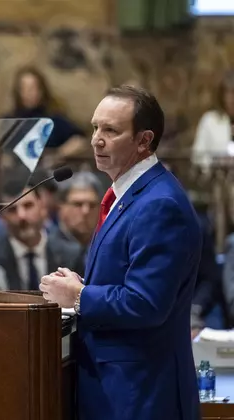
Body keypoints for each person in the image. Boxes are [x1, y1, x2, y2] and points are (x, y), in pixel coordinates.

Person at [39, 85, 202, 420]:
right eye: (95, 127)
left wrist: (80, 295)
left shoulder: (159, 205)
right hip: (118, 388)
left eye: (111, 130)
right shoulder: (129, 193)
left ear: (144, 140)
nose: (96, 139)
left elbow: (146, 303)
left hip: (141, 393)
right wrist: (84, 286)